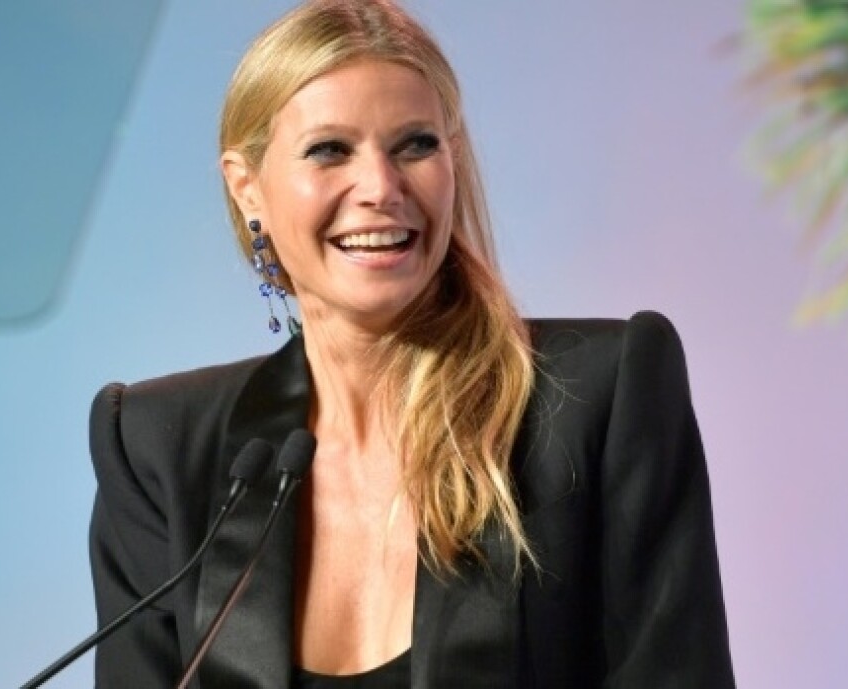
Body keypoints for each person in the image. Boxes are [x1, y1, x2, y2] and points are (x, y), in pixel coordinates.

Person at [87, 1, 735, 687]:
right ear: (247, 187)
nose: (381, 187)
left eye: (415, 145)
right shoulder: (158, 447)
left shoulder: (597, 398)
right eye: (330, 150)